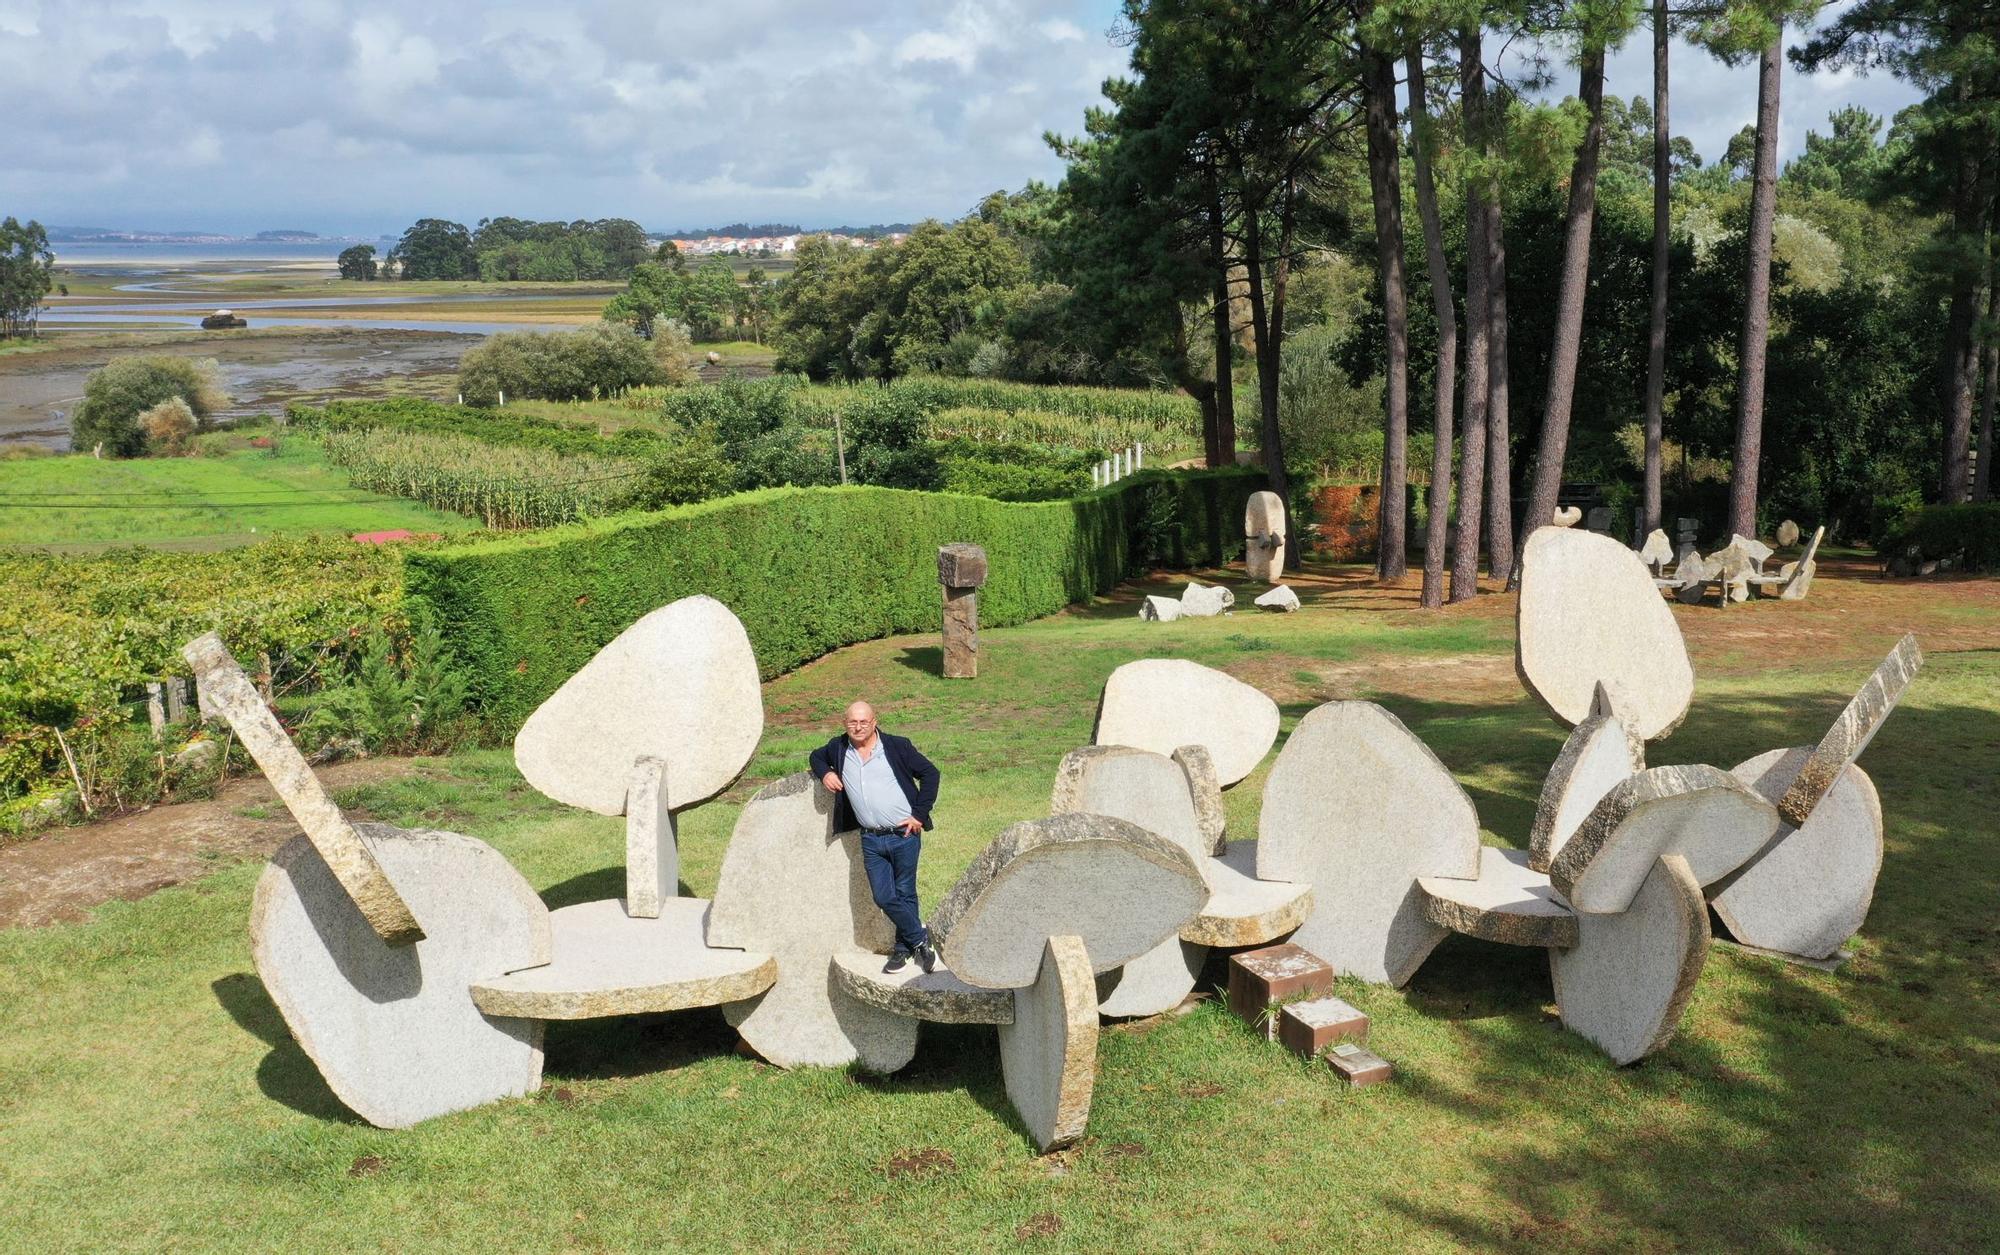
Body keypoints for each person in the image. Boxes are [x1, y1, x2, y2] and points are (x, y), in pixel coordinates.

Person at [809, 701, 942, 974]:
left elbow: (931, 773)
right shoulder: (838, 748)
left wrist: (918, 815)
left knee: (905, 892)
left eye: (863, 722)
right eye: (852, 722)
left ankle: (903, 950)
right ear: (845, 723)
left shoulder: (897, 746)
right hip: (871, 839)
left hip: (904, 834)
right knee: (883, 896)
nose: (857, 727)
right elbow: (815, 756)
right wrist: (826, 773)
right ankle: (919, 938)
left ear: (874, 722)